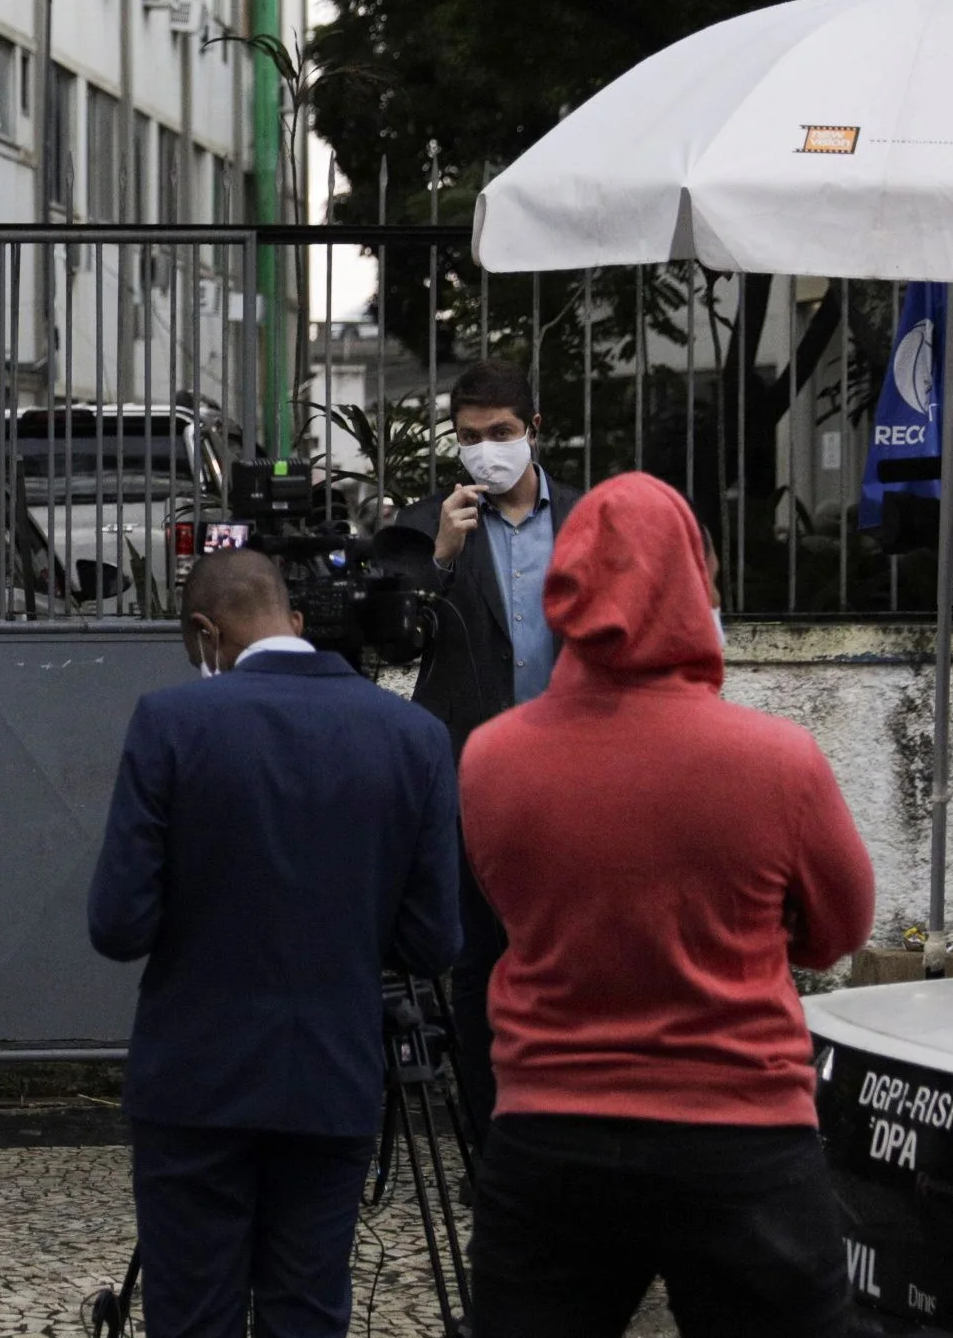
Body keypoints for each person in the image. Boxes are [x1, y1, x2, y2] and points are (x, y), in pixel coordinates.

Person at [460, 474, 875, 1338]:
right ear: (696, 581)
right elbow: (840, 930)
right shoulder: (778, 761)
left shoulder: (491, 759)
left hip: (548, 1127)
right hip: (740, 1131)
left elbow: (513, 907)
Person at [89, 549, 462, 1338]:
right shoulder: (414, 735)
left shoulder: (171, 722)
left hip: (195, 1081)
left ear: (203, 632)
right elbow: (433, 941)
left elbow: (117, 924)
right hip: (332, 1074)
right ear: (294, 620)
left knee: (193, 1315)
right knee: (307, 1310)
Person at [371, 356, 568, 1137]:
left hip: (571, 779)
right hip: (470, 780)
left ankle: (561, 1130)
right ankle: (491, 1141)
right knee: (478, 968)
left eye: (503, 433)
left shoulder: (584, 518)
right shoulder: (424, 527)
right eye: (471, 436)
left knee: (565, 962)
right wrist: (441, 561)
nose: (488, 449)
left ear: (534, 430)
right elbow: (395, 646)